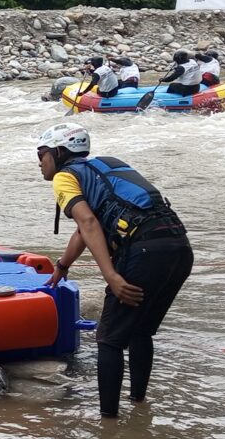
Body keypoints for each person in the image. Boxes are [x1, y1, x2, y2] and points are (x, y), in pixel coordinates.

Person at [36, 122, 193, 420]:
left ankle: (108, 425)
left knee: (108, 338)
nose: (39, 163)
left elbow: (89, 224)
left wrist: (112, 276)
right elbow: (85, 229)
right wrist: (62, 266)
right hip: (179, 248)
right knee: (140, 330)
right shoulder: (108, 165)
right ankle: (139, 406)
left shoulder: (64, 177)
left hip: (145, 251)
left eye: (41, 155)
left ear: (58, 152)